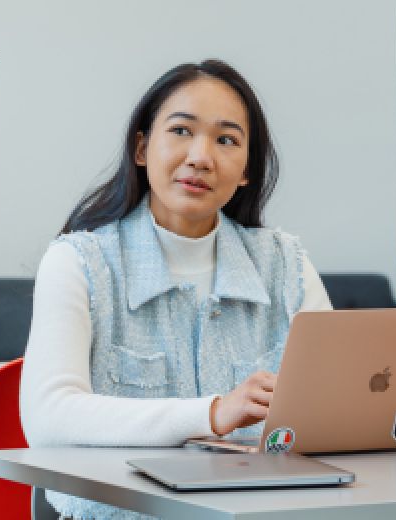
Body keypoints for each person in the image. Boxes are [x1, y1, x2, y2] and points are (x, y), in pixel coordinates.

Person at [19, 59, 332, 519]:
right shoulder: (78, 262)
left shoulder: (287, 264)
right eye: (181, 131)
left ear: (246, 170)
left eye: (226, 140)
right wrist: (212, 413)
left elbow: (341, 399)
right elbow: (49, 418)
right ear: (142, 148)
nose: (201, 157)